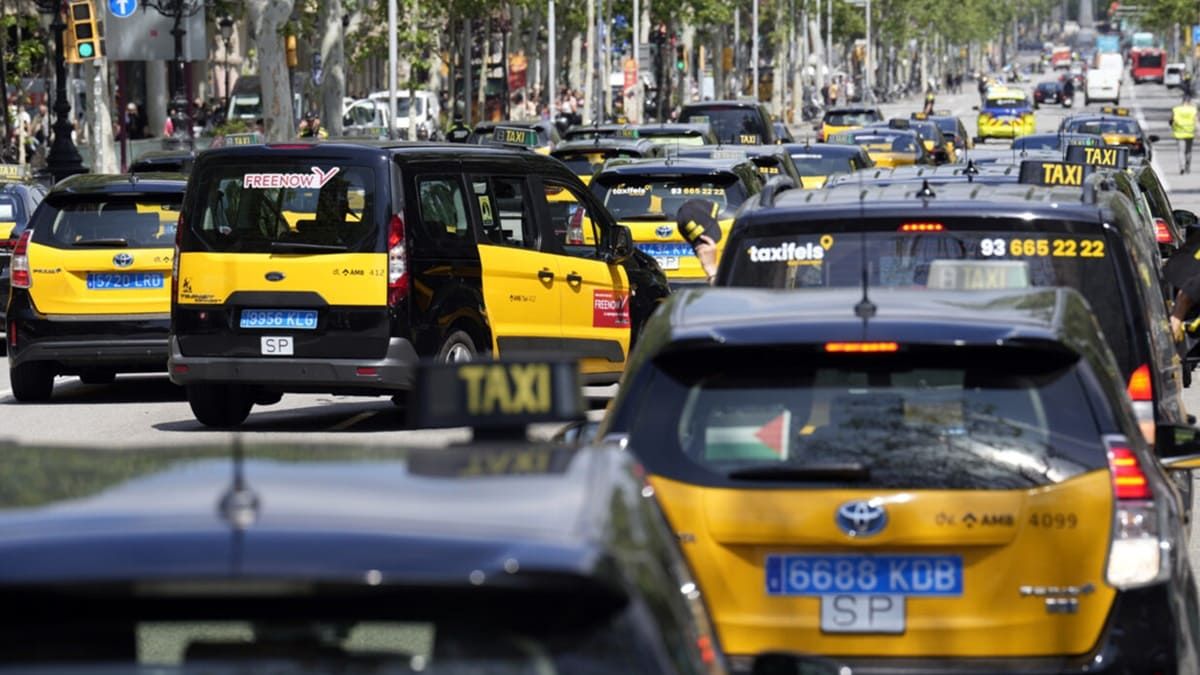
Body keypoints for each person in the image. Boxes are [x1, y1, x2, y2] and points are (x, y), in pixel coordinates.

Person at [1171, 93, 1196, 175]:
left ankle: (1181, 167)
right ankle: (1187, 167)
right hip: (1190, 133)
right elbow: (1196, 121)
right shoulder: (1193, 110)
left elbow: (1172, 120)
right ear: (1189, 101)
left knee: (1180, 151)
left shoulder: (1176, 109)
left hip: (1179, 133)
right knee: (1188, 151)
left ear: (1182, 101)